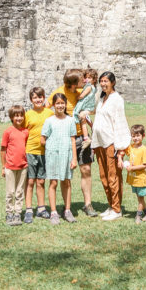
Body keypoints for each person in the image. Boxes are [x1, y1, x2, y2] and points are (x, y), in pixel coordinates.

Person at [50, 68, 97, 217]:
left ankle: (88, 205)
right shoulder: (58, 93)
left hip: (81, 137)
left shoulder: (83, 91)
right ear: (72, 84)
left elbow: (93, 108)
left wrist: (88, 112)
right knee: (65, 174)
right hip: (65, 139)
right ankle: (67, 207)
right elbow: (46, 111)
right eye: (81, 79)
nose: (84, 81)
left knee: (86, 170)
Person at [91, 71, 131, 221]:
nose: (103, 84)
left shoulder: (117, 99)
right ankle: (111, 205)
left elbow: (120, 122)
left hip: (111, 143)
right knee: (104, 176)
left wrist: (120, 148)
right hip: (100, 142)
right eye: (101, 81)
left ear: (113, 82)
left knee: (113, 177)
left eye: (106, 81)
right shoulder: (102, 99)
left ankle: (116, 208)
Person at [41, 92, 77, 224]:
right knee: (53, 182)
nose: (60, 106)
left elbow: (73, 139)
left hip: (66, 155)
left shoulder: (70, 120)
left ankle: (67, 210)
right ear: (54, 105)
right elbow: (43, 139)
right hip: (53, 155)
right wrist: (52, 146)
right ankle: (54, 212)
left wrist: (74, 158)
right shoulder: (49, 120)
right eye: (58, 103)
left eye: (62, 103)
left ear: (65, 104)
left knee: (66, 182)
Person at [24, 86, 52, 223]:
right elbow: (23, 132)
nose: (38, 100)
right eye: (35, 97)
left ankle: (41, 208)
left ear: (44, 98)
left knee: (41, 181)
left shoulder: (49, 113)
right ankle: (29, 209)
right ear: (31, 100)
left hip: (44, 152)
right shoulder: (28, 115)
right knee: (30, 181)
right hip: (30, 151)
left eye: (40, 97)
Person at [0, 105, 29, 226]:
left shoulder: (25, 132)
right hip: (10, 167)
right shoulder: (8, 132)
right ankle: (9, 213)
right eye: (16, 116)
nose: (19, 118)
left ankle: (17, 213)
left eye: (21, 115)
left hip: (23, 166)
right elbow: (3, 149)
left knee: (19, 191)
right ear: (12, 117)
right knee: (10, 192)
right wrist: (3, 166)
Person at [121, 124, 146, 223]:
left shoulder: (143, 149)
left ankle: (138, 216)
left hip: (141, 179)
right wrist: (120, 158)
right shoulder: (132, 147)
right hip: (134, 179)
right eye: (133, 136)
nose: (135, 138)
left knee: (140, 198)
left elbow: (144, 165)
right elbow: (124, 150)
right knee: (139, 198)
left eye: (138, 136)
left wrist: (132, 168)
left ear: (143, 136)